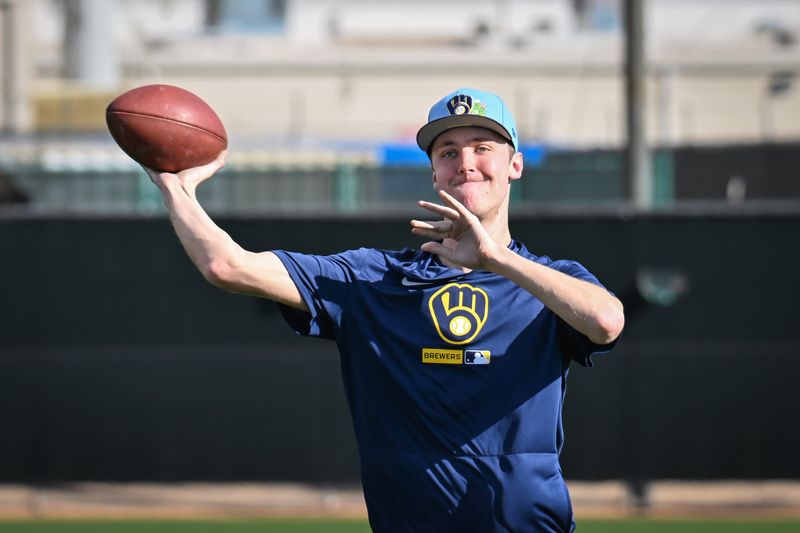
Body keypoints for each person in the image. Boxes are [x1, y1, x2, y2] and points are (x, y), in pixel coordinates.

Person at [144, 87, 624, 533]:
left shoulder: (552, 279)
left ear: (515, 165)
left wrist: (496, 259)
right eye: (448, 153)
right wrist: (173, 186)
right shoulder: (372, 279)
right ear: (434, 173)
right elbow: (226, 266)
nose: (466, 163)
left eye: (482, 147)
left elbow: (605, 322)